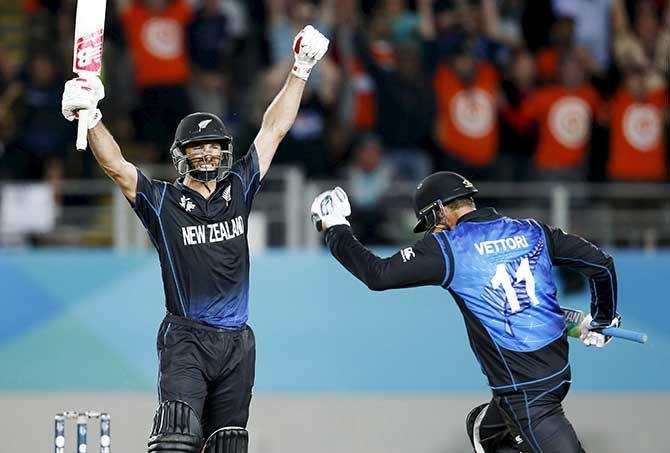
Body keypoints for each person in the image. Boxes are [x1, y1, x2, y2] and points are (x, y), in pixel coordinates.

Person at [61, 25, 329, 453]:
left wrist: (301, 69)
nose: (206, 153)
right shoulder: (162, 201)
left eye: (213, 146)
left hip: (238, 343)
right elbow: (117, 167)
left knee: (228, 446)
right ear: (181, 155)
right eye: (197, 147)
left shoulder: (239, 188)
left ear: (223, 151)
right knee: (176, 442)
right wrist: (90, 118)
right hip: (186, 339)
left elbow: (273, 129)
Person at [310, 172, 621, 453]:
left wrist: (335, 227)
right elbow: (601, 265)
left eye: (431, 220)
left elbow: (377, 274)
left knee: (493, 431)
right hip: (557, 375)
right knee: (488, 431)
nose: (432, 229)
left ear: (441, 210)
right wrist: (600, 319)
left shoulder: (449, 248)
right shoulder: (531, 231)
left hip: (526, 396)